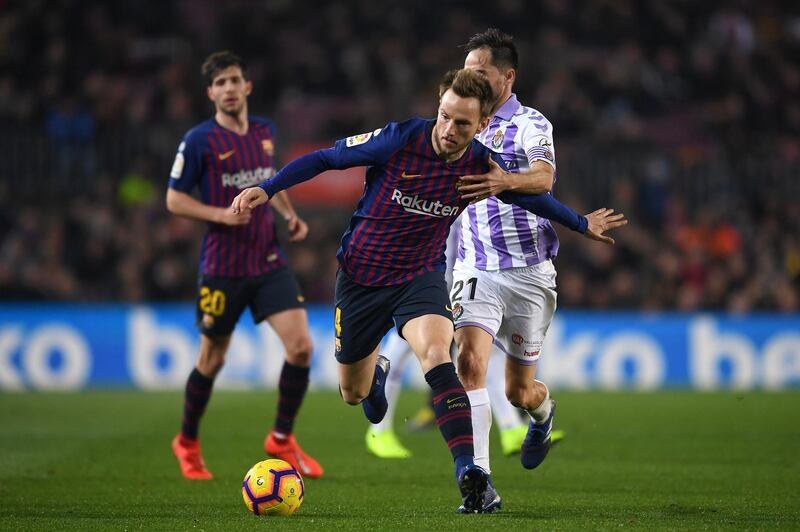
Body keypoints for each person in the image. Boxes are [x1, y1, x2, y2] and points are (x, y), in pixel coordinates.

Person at [232, 68, 625, 512]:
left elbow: (529, 198)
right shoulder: (399, 139)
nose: (449, 130)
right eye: (444, 117)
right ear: (437, 109)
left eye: (462, 123)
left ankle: (471, 475)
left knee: (441, 356)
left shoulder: (480, 164)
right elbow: (326, 158)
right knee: (353, 393)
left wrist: (580, 223)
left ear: (480, 126)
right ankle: (375, 373)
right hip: (360, 277)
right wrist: (266, 190)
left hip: (419, 276)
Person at [453, 29, 624, 509]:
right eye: (466, 70)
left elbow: (544, 176)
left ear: (507, 76)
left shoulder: (531, 124)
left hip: (530, 273)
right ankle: (479, 481)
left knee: (518, 391)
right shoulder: (460, 120)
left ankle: (543, 414)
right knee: (469, 364)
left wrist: (504, 179)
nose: (470, 78)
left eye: (479, 71)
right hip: (476, 266)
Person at [166, 51, 323, 481]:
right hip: (223, 266)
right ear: (211, 93)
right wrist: (220, 215)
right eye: (220, 83)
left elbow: (269, 179)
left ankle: (281, 438)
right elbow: (173, 199)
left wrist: (288, 213)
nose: (229, 88)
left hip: (268, 260)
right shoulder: (198, 141)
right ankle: (188, 441)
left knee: (302, 348)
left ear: (247, 86)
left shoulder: (265, 131)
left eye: (235, 80)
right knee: (212, 359)